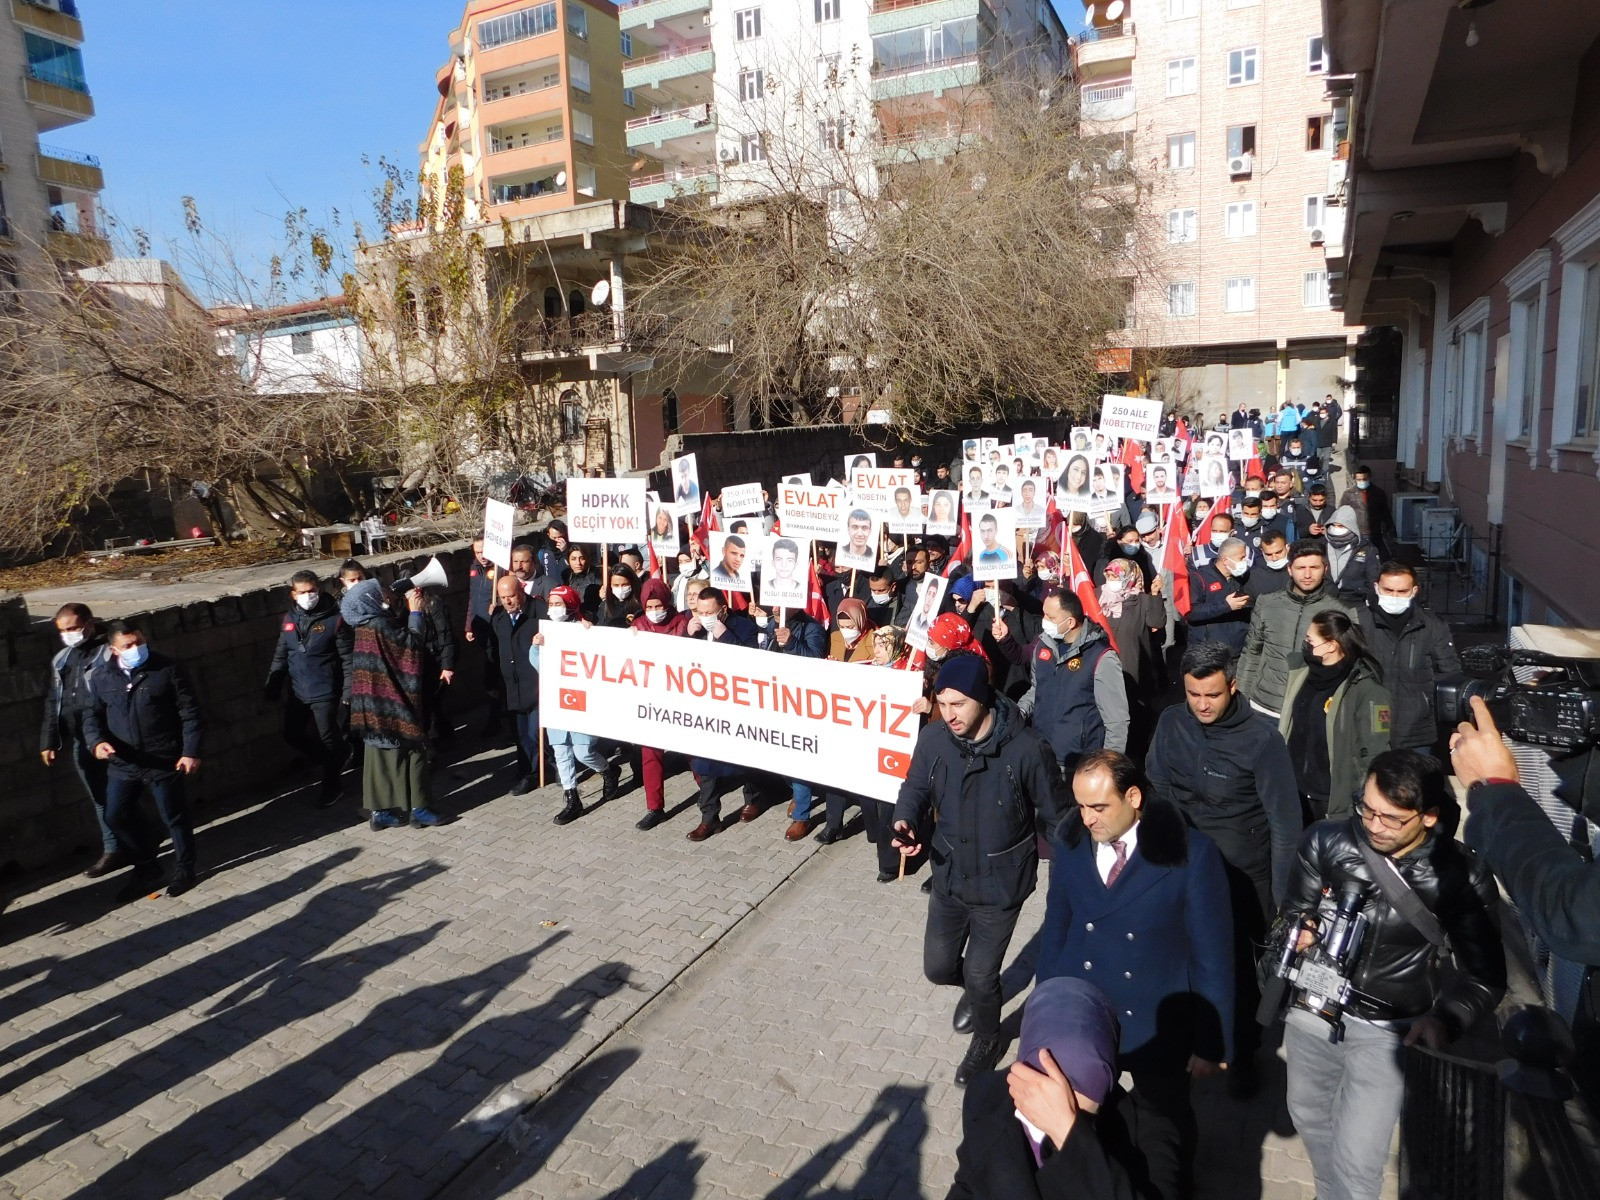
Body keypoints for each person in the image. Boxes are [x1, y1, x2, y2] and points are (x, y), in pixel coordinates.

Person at [1281, 751, 1505, 1200]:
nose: (1373, 825)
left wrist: (1444, 1020)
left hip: (1390, 1030)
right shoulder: (1327, 841)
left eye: (1390, 818)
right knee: (1307, 1115)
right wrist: (1298, 933)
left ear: (1428, 817)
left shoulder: (1461, 877)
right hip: (1314, 1010)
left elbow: (1485, 977)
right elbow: (1290, 914)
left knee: (1359, 1161)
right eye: (1366, 808)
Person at [1036, 751, 1233, 1200]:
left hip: (1156, 1016)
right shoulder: (1069, 845)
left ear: (1134, 797)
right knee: (1086, 1116)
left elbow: (1212, 955)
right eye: (1080, 806)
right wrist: (1044, 1009)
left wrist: (1210, 1041)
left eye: (1099, 808)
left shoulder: (1190, 854)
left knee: (1164, 1121)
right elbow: (1057, 929)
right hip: (1085, 1012)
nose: (1086, 819)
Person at [893, 656, 1068, 1085]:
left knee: (981, 972)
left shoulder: (1027, 750)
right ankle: (980, 993)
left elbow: (1058, 816)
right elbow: (915, 787)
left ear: (984, 699)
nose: (949, 714)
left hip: (1000, 884)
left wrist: (1079, 871)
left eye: (959, 704)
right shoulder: (934, 740)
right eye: (942, 703)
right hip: (950, 876)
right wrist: (905, 820)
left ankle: (989, 1038)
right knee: (938, 967)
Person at [1146, 643, 1301, 1095]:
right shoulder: (1172, 723)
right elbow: (1154, 785)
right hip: (1180, 871)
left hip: (1240, 879)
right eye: (1194, 694)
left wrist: (1282, 901)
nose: (1202, 704)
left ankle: (1244, 1050)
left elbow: (1285, 825)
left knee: (1238, 973)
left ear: (1232, 686)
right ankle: (1188, 1039)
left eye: (1212, 694)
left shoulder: (1263, 742)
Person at [949, 978, 1143, 1200]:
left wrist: (1068, 1134)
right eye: (1050, 1087)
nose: (1063, 1106)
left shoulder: (1133, 1126)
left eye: (1082, 1104)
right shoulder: (987, 1102)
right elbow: (967, 1181)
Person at [83, 622, 205, 900]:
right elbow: (92, 716)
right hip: (124, 763)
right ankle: (146, 866)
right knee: (115, 815)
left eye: (139, 642)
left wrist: (191, 751)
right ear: (114, 650)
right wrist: (96, 742)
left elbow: (190, 712)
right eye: (128, 646)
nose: (135, 649)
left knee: (174, 817)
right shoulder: (102, 677)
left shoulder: (167, 670)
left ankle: (185, 869)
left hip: (163, 759)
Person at [995, 588, 1128, 778]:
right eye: (1044, 615)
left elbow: (1117, 721)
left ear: (1071, 622)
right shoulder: (1043, 645)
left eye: (1050, 617)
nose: (1045, 621)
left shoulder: (1101, 657)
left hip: (1081, 763)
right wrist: (1020, 712)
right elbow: (1037, 688)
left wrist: (1109, 767)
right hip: (1043, 753)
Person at [343, 581, 443, 831]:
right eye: (381, 592)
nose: (387, 595)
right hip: (391, 704)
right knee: (415, 749)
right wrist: (417, 613)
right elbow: (411, 647)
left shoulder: (365, 624)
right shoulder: (379, 625)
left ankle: (381, 812)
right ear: (369, 599)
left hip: (373, 705)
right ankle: (420, 808)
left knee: (379, 757)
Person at [1279, 610, 1392, 824]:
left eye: (1310, 639)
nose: (1305, 644)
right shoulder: (1302, 674)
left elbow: (1375, 752)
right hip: (1295, 791)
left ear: (1331, 645)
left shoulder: (1367, 690)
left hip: (1332, 799)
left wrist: (1364, 798)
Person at [40, 603, 123, 878]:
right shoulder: (63, 659)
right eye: (64, 631)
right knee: (100, 798)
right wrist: (49, 740)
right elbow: (55, 701)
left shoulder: (107, 651)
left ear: (88, 624)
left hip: (112, 736)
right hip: (81, 739)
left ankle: (139, 843)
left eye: (74, 628)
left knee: (123, 795)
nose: (69, 634)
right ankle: (114, 849)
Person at [1236, 540, 1357, 718]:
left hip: (1308, 709)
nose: (1307, 575)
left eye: (1314, 567)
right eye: (1300, 568)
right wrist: (1241, 698)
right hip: (1263, 706)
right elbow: (1251, 653)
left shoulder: (1341, 613)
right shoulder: (1267, 603)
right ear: (1289, 569)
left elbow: (1347, 666)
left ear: (1325, 569)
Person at [264, 569, 353, 807]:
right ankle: (333, 759)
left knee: (327, 739)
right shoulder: (290, 619)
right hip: (298, 691)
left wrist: (348, 692)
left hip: (325, 689)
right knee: (292, 734)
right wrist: (273, 683)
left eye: (312, 591)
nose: (308, 596)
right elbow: (282, 653)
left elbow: (348, 658)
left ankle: (332, 786)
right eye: (302, 592)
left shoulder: (335, 619)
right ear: (294, 594)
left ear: (319, 589)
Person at [533, 585, 618, 825]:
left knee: (583, 751)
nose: (553, 608)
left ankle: (608, 771)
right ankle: (572, 799)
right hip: (555, 701)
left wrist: (590, 634)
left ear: (570, 604)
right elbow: (538, 664)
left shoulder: (584, 629)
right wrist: (535, 646)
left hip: (580, 701)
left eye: (558, 603)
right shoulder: (546, 632)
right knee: (561, 752)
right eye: (551, 603)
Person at [1355, 564, 1460, 753]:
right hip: (1367, 725)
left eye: (1402, 591)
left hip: (1416, 730)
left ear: (1414, 591)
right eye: (1388, 590)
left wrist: (1456, 726)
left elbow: (1450, 675)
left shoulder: (1433, 627)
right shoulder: (1358, 622)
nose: (1394, 597)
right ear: (1376, 587)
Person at [1094, 559, 1164, 756]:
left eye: (1116, 575)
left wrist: (1156, 594)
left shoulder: (1140, 599)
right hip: (1103, 668)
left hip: (1132, 668)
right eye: (1108, 575)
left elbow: (1157, 621)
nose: (1111, 579)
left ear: (1129, 576)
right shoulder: (1097, 596)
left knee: (1134, 718)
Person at [489, 573, 544, 796]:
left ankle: (535, 772)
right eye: (503, 598)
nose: (507, 601)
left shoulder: (539, 612)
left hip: (535, 685)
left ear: (521, 591)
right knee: (521, 735)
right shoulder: (499, 618)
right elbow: (493, 649)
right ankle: (527, 770)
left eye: (511, 596)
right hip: (513, 688)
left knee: (535, 733)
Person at [1183, 537, 1252, 651]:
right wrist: (1226, 605)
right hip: (1209, 650)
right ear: (1225, 560)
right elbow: (1191, 612)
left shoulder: (1243, 576)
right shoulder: (1199, 578)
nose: (1245, 561)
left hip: (1238, 647)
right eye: (1241, 558)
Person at [1321, 505, 1380, 603]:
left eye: (1341, 526)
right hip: (1325, 599)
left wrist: (1370, 601)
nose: (1336, 529)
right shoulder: (1322, 545)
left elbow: (1373, 578)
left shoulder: (1367, 548)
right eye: (1333, 525)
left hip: (1355, 601)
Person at [1245, 531, 1291, 597]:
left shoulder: (1299, 570)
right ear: (1262, 552)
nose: (1274, 558)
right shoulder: (1253, 576)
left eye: (1278, 552)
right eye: (1269, 554)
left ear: (1287, 548)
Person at [597, 563, 643, 627]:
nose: (620, 588)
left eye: (624, 584)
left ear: (632, 583)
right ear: (610, 585)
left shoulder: (641, 605)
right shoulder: (605, 605)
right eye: (616, 585)